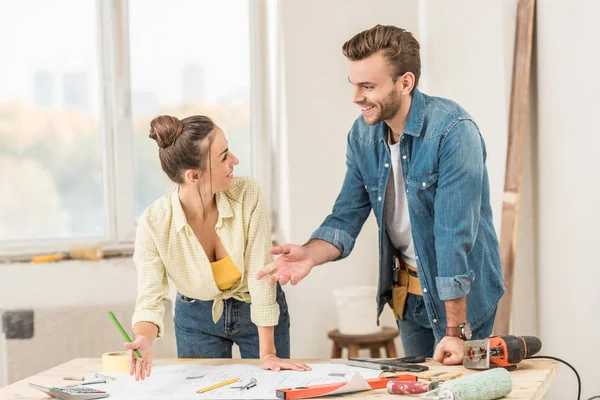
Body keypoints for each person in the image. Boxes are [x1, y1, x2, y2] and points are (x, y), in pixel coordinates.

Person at [256, 25, 505, 365]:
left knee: (459, 388)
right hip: (407, 296)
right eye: (354, 85)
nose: (356, 97)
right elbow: (347, 215)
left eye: (368, 86)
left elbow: (452, 237)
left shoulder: (453, 131)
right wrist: (310, 254)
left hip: (461, 300)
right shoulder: (363, 135)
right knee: (415, 386)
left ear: (405, 83)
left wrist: (455, 331)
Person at [127, 114, 310, 381]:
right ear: (194, 175)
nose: (235, 160)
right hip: (196, 318)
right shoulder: (154, 223)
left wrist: (268, 353)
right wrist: (144, 338)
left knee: (271, 387)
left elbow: (262, 276)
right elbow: (150, 298)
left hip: (257, 312)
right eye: (224, 157)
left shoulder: (248, 194)